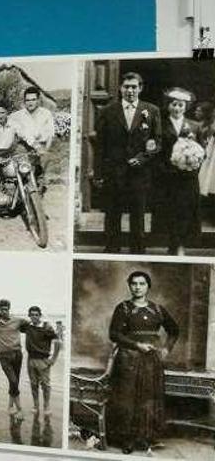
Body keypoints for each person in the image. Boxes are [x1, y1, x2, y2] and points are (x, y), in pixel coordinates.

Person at [107, 271, 179, 455]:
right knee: (127, 398)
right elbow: (114, 334)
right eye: (134, 283)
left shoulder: (157, 309)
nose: (137, 287)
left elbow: (174, 330)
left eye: (142, 283)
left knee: (148, 398)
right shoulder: (123, 308)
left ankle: (145, 438)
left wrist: (166, 349)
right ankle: (127, 439)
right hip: (128, 359)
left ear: (148, 286)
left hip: (151, 362)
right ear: (129, 286)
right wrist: (136, 345)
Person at [93, 72, 161, 254]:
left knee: (138, 216)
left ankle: (138, 251)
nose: (130, 90)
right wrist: (98, 173)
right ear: (120, 88)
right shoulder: (108, 111)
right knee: (113, 214)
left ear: (140, 88)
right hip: (114, 172)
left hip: (139, 174)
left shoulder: (152, 111)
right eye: (126, 87)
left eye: (134, 87)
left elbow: (157, 143)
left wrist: (141, 158)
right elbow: (100, 145)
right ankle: (112, 249)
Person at [153, 88, 203, 255]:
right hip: (167, 176)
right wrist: (164, 168)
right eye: (174, 104)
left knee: (185, 210)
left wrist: (193, 161)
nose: (177, 108)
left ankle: (181, 243)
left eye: (180, 105)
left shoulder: (194, 126)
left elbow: (202, 150)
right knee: (170, 209)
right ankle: (171, 243)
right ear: (168, 106)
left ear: (186, 107)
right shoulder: (160, 124)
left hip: (188, 177)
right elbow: (156, 150)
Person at [0, 299, 29, 418]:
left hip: (17, 354)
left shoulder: (17, 320)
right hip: (4, 356)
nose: (4, 311)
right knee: (13, 381)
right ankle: (19, 409)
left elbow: (29, 324)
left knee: (14, 382)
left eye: (6, 308)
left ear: (9, 308)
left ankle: (10, 406)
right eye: (2, 309)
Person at [21, 306, 60, 416]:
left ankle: (46, 406)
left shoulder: (46, 327)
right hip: (30, 359)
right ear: (29, 316)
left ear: (40, 315)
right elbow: (13, 324)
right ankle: (35, 405)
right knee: (33, 384)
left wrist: (53, 359)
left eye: (36, 315)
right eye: (32, 314)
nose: (34, 317)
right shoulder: (27, 326)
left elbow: (58, 342)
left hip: (43, 360)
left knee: (46, 385)